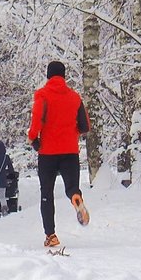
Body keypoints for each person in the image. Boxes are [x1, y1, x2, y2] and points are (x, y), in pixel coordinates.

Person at [27, 60, 91, 248]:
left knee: (47, 193)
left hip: (47, 153)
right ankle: (75, 198)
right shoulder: (75, 97)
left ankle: (51, 235)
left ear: (48, 75)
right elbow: (85, 126)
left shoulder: (42, 95)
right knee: (71, 187)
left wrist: (33, 138)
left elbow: (36, 122)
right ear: (64, 76)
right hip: (70, 152)